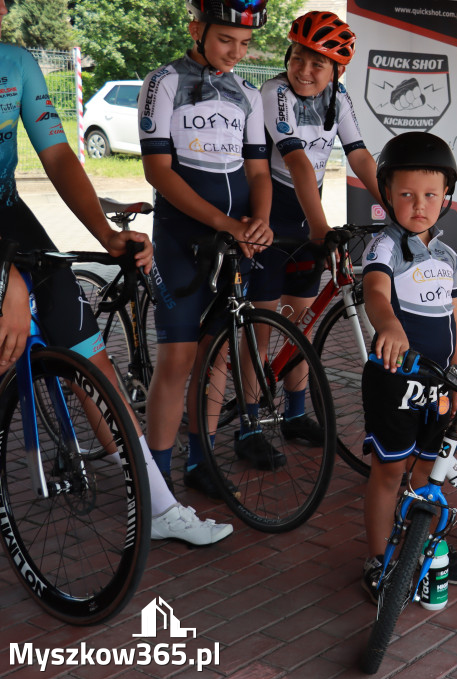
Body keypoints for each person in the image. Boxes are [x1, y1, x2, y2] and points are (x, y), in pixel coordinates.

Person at [0, 0, 231, 545]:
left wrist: (105, 235)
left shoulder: (17, 62)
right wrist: (7, 278)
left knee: (91, 356)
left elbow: (57, 155)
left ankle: (155, 503)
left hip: (9, 215)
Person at [139, 0, 273, 501]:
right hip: (182, 240)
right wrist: (225, 223)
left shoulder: (246, 92)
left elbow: (258, 171)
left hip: (234, 239)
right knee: (178, 359)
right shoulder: (165, 81)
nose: (236, 53)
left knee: (217, 357)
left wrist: (256, 220)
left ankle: (201, 461)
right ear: (196, 29)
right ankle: (154, 478)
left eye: (244, 44)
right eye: (224, 41)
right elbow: (159, 172)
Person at [249, 10, 380, 444]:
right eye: (299, 58)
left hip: (308, 218)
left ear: (336, 71)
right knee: (264, 325)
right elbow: (298, 163)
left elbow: (360, 158)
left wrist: (396, 213)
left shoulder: (339, 100)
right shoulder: (274, 93)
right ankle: (250, 425)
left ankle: (295, 413)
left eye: (317, 63)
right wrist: (321, 228)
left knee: (300, 321)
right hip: (273, 217)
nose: (304, 70)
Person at [360, 132, 457, 602]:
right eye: (406, 194)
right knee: (389, 471)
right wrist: (388, 326)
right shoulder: (382, 247)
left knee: (428, 471)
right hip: (396, 381)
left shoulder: (447, 255)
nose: (419, 204)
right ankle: (379, 558)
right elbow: (375, 293)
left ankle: (420, 549)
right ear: (387, 194)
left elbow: (454, 316)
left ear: (445, 197)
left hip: (442, 384)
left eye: (430, 195)